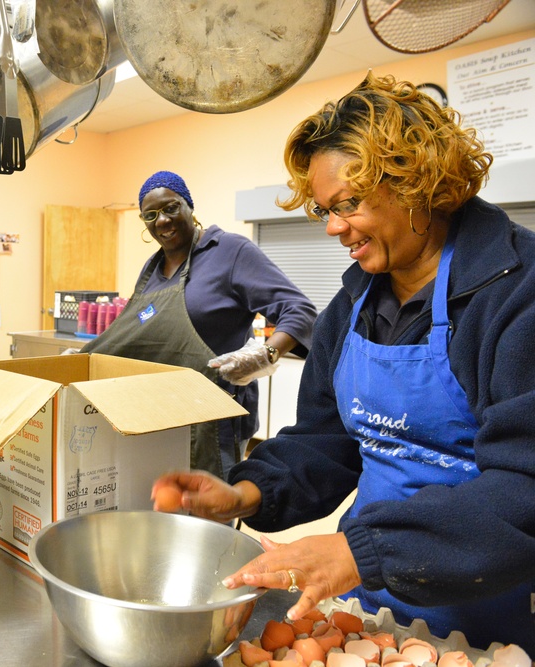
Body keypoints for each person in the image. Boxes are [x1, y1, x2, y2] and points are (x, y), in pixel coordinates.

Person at [151, 73, 535, 652]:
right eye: (324, 210)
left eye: (349, 205)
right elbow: (330, 439)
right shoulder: (355, 304)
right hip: (371, 605)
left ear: (417, 183)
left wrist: (359, 551)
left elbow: (524, 485)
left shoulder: (516, 295)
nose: (332, 227)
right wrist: (246, 491)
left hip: (489, 617)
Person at [81, 170, 317, 478]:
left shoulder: (230, 252)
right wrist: (86, 357)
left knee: (207, 514)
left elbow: (299, 310)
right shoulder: (151, 269)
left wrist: (266, 354)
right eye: (150, 215)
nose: (162, 220)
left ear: (189, 206)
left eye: (171, 207)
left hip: (214, 416)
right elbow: (136, 333)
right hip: (159, 415)